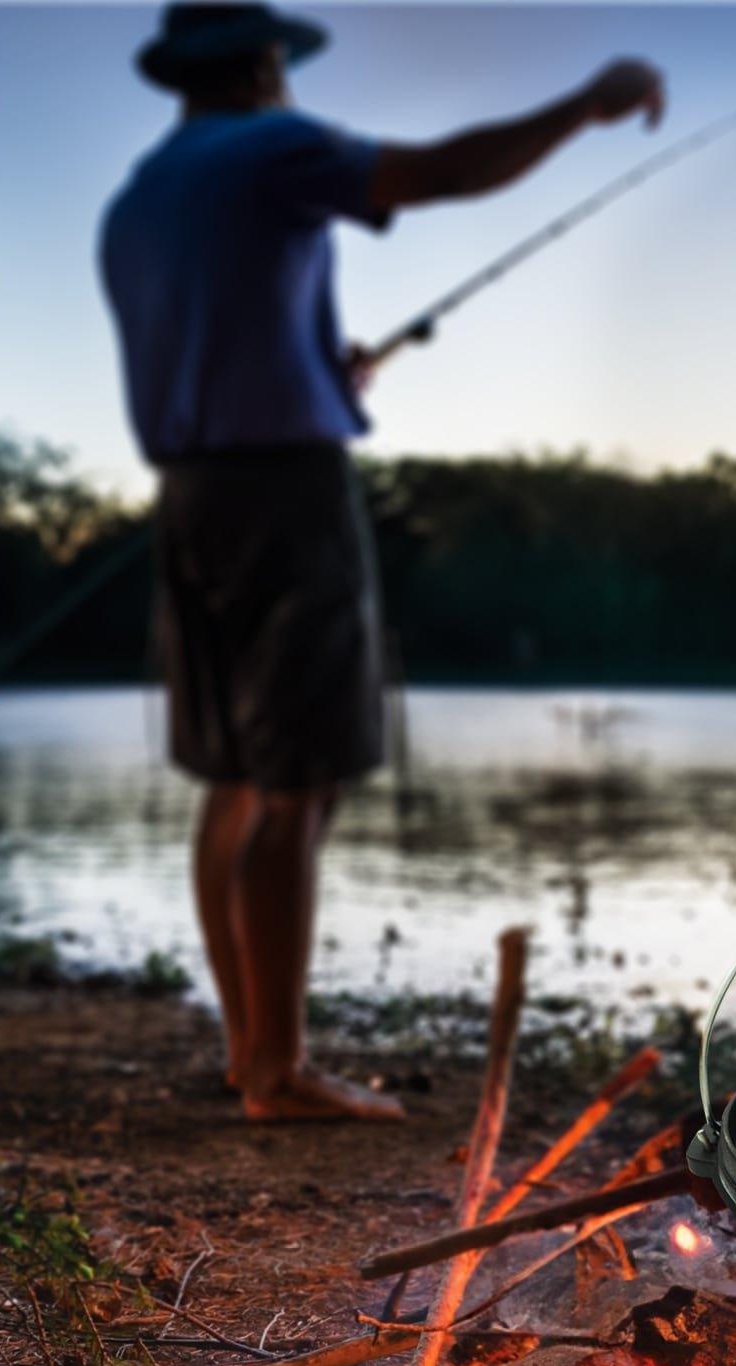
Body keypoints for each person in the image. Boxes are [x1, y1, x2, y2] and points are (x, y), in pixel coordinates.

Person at [101, 3, 664, 1120]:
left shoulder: (142, 196)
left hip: (191, 495)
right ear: (263, 62)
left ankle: (247, 1047)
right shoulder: (272, 146)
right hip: (285, 496)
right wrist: (583, 105)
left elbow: (220, 339)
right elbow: (437, 170)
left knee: (230, 778)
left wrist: (317, 367)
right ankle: (278, 1071)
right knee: (299, 784)